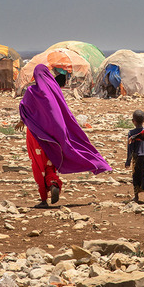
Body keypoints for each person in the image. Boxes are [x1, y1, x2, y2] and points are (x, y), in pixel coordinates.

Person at [15, 64, 111, 208]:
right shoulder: (54, 90)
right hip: (52, 136)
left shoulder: (30, 91)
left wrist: (22, 121)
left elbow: (25, 109)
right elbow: (62, 112)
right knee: (50, 163)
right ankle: (53, 183)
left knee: (38, 164)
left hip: (35, 135)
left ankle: (43, 198)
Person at [125, 109, 144, 204]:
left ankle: (136, 196)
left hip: (136, 156)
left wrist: (128, 161)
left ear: (133, 121)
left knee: (136, 175)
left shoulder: (131, 133)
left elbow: (130, 148)